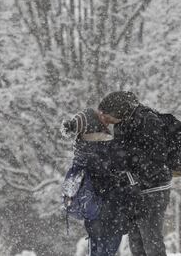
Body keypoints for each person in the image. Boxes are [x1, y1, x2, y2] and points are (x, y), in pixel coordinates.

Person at [97, 91, 171, 256]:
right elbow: (123, 156)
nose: (104, 120)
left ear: (117, 110)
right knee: (137, 244)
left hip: (153, 189)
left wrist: (124, 155)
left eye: (105, 114)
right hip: (134, 191)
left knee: (151, 242)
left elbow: (157, 158)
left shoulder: (148, 120)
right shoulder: (122, 124)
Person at [61, 108, 139, 256]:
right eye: (99, 116)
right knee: (108, 246)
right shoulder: (106, 147)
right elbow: (121, 171)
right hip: (111, 206)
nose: (104, 118)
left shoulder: (80, 150)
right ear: (93, 124)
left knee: (96, 246)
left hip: (90, 208)